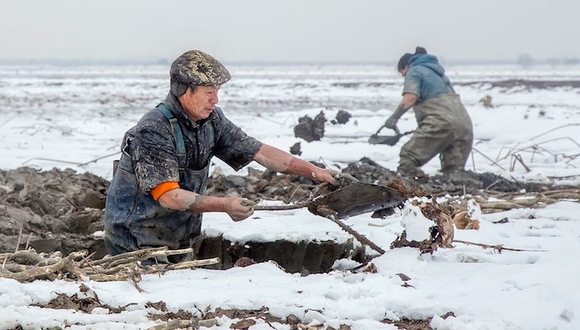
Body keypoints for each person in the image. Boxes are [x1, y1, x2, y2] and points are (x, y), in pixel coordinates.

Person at [104, 50, 337, 263]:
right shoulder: (154, 129)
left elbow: (261, 152)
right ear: (183, 90)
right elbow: (169, 196)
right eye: (208, 92)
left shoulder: (211, 121)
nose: (215, 100)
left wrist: (315, 172)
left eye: (217, 91)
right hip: (136, 242)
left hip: (180, 239)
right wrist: (225, 205)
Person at [383, 46, 473, 182]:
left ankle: (405, 187)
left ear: (405, 66)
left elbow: (410, 97)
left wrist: (394, 118)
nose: (403, 76)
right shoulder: (438, 73)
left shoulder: (414, 71)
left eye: (402, 72)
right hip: (464, 124)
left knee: (408, 157)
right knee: (454, 173)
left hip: (441, 122)